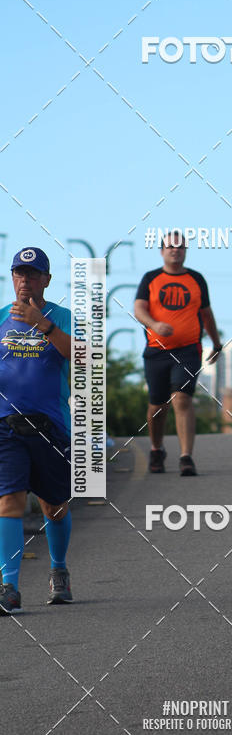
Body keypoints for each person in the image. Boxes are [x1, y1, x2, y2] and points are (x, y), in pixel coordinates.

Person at [0, 248, 73, 614]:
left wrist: (41, 324)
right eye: (19, 273)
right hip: (6, 427)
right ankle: (8, 586)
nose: (25, 280)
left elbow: (83, 356)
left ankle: (58, 569)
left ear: (46, 279)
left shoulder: (62, 317)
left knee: (54, 506)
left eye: (32, 274)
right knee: (9, 501)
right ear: (12, 278)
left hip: (50, 426)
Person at [134, 231, 222, 477]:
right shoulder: (150, 278)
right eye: (171, 247)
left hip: (188, 350)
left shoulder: (196, 279)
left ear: (185, 251)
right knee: (157, 405)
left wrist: (216, 344)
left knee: (181, 398)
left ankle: (186, 457)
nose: (176, 250)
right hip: (156, 351)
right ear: (162, 251)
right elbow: (138, 308)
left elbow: (206, 313)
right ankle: (156, 448)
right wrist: (154, 324)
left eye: (181, 247)